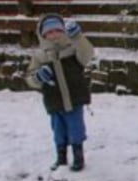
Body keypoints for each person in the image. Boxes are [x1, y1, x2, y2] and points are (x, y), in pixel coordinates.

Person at [26, 13, 94, 172]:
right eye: (49, 32)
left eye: (57, 30)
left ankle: (78, 157)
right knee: (58, 131)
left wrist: (78, 37)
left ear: (64, 31)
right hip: (54, 101)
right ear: (43, 35)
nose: (54, 35)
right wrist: (38, 77)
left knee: (76, 129)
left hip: (74, 98)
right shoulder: (39, 56)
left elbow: (87, 53)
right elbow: (30, 78)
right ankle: (61, 157)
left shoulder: (73, 50)